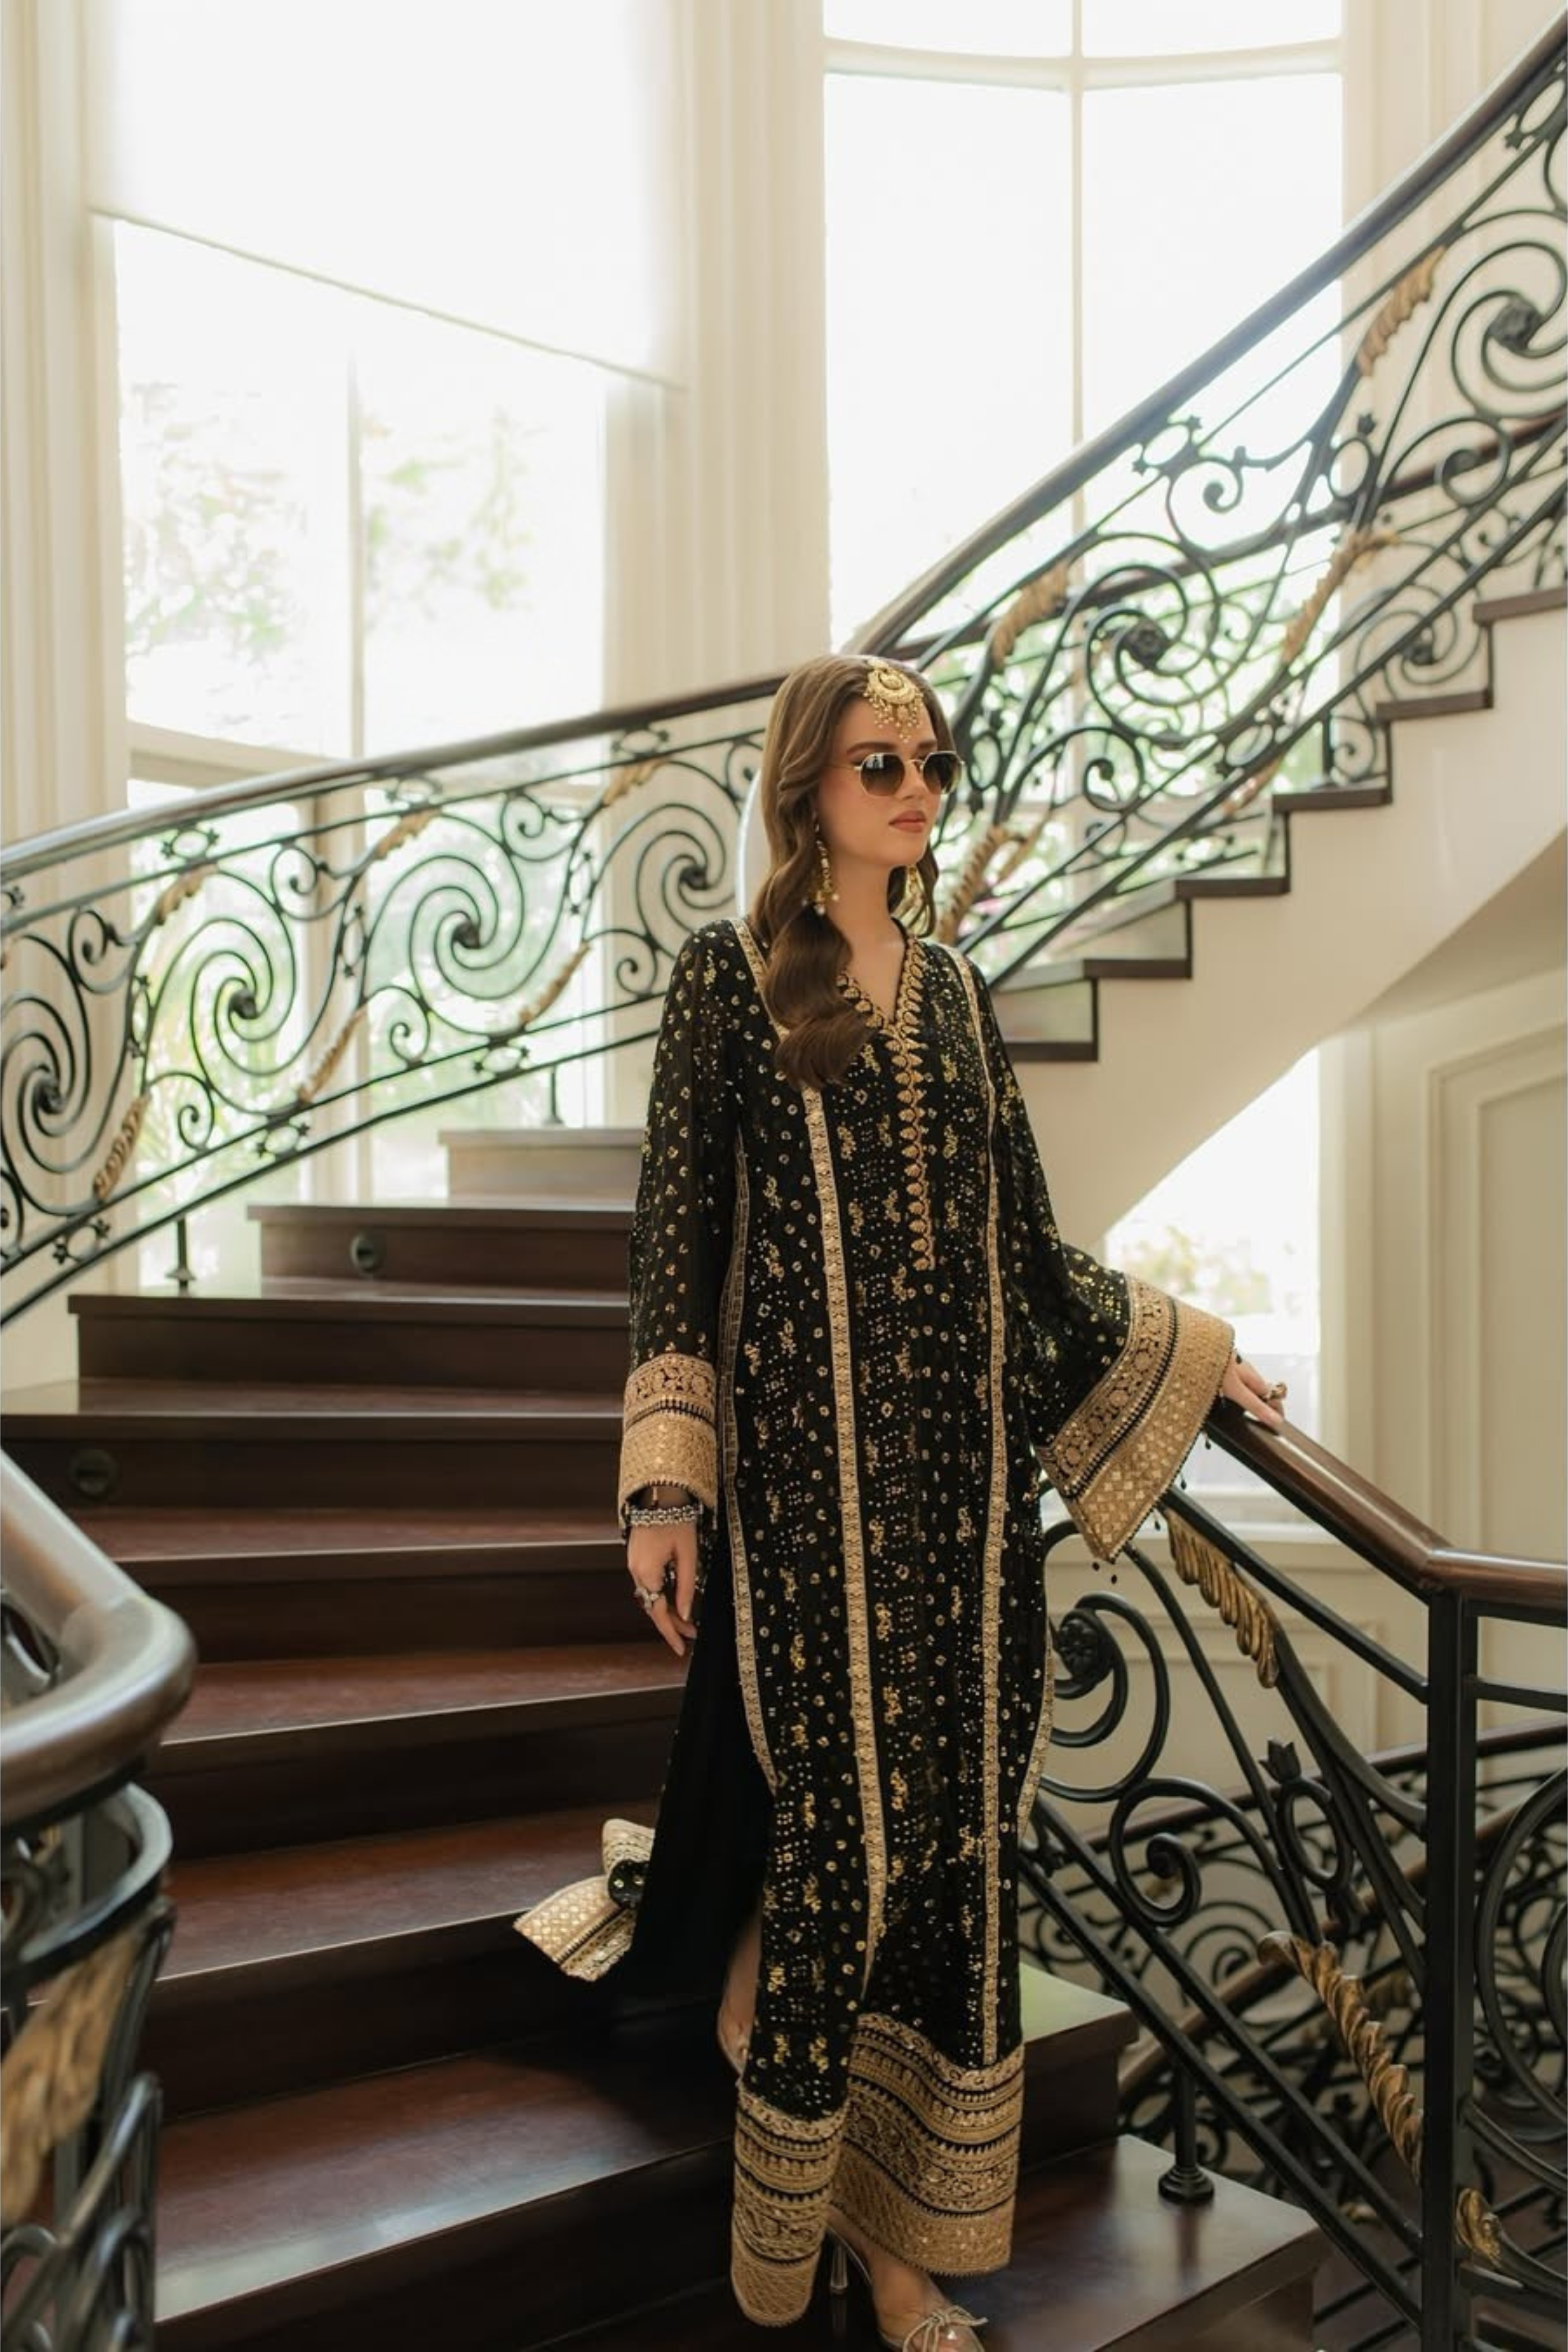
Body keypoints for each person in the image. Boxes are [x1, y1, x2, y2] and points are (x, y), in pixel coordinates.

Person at [516, 653, 1287, 2347]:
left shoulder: (954, 989)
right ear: (809, 791)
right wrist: (668, 1483)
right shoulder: (728, 985)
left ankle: (898, 2241)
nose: (919, 789)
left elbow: (1021, 1245)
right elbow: (676, 1244)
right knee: (849, 1854)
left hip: (959, 1504)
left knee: (944, 1866)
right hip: (809, 1501)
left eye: (933, 760)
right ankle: (857, 2248)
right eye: (882, 765)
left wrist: (1187, 1348)